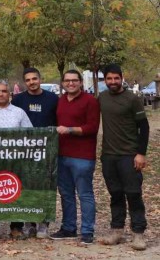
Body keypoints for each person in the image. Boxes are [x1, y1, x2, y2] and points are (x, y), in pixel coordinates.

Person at [97, 65, 149, 251]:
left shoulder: (132, 99)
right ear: (105, 80)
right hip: (109, 155)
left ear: (121, 78)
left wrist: (141, 153)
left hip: (129, 155)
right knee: (115, 194)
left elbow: (144, 127)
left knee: (134, 194)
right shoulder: (102, 98)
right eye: (109, 79)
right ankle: (117, 231)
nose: (113, 82)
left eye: (116, 78)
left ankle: (138, 233)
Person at [50, 70, 100, 245]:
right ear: (63, 83)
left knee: (85, 194)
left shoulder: (90, 101)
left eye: (74, 80)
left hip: (82, 156)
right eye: (67, 81)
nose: (71, 83)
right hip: (62, 154)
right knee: (66, 194)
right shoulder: (61, 101)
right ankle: (69, 228)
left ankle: (87, 231)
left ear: (80, 82)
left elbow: (92, 127)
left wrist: (70, 129)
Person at [11, 67, 59, 238]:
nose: (32, 82)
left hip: (46, 150)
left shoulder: (53, 99)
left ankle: (43, 224)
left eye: (34, 79)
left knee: (44, 186)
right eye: (28, 80)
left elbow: (58, 122)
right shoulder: (18, 99)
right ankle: (29, 223)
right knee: (25, 186)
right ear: (25, 82)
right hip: (24, 151)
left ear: (40, 79)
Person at [0, 80, 32, 240]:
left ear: (9, 93)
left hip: (16, 159)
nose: (1, 94)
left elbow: (31, 134)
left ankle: (16, 227)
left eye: (4, 91)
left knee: (16, 191)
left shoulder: (19, 112)